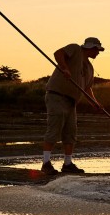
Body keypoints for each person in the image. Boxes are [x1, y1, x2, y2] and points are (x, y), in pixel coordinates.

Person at [41, 36, 104, 175]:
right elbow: (58, 53)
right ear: (90, 47)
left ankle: (67, 164)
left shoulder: (89, 67)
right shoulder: (75, 48)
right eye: (96, 50)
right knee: (54, 128)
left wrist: (94, 103)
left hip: (71, 102)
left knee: (70, 132)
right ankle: (46, 163)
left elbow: (87, 88)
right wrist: (65, 68)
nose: (98, 53)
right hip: (57, 96)